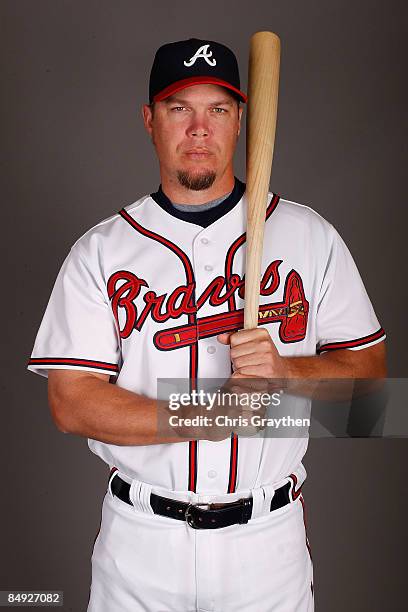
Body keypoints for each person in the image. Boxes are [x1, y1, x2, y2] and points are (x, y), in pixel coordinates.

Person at [27, 38, 387, 611]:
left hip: (268, 546)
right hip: (140, 543)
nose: (199, 129)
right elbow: (71, 404)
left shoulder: (310, 237)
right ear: (150, 120)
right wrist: (203, 414)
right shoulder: (101, 250)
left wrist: (286, 373)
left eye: (217, 110)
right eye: (179, 109)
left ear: (241, 121)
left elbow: (371, 390)